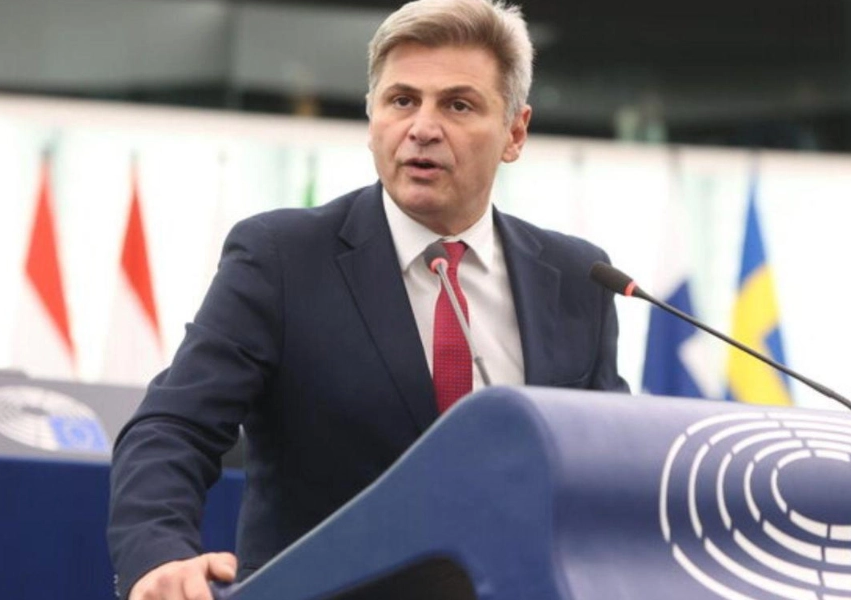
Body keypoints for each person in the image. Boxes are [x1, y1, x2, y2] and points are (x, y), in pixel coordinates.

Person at [107, 0, 628, 598]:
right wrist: (159, 554)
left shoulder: (577, 278)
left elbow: (608, 464)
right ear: (372, 116)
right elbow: (174, 426)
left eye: (457, 105)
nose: (423, 128)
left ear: (515, 132)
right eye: (402, 100)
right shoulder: (281, 258)